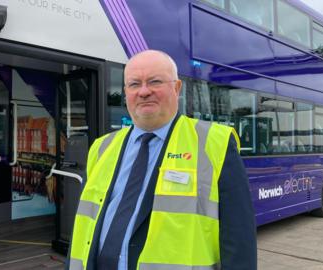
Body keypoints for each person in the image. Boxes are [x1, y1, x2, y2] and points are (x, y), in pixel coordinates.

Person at [68, 50, 257, 269]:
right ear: (125, 92)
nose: (144, 91)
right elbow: (84, 224)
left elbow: (238, 236)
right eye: (134, 84)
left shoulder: (216, 143)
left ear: (177, 88)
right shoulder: (102, 147)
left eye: (155, 81)